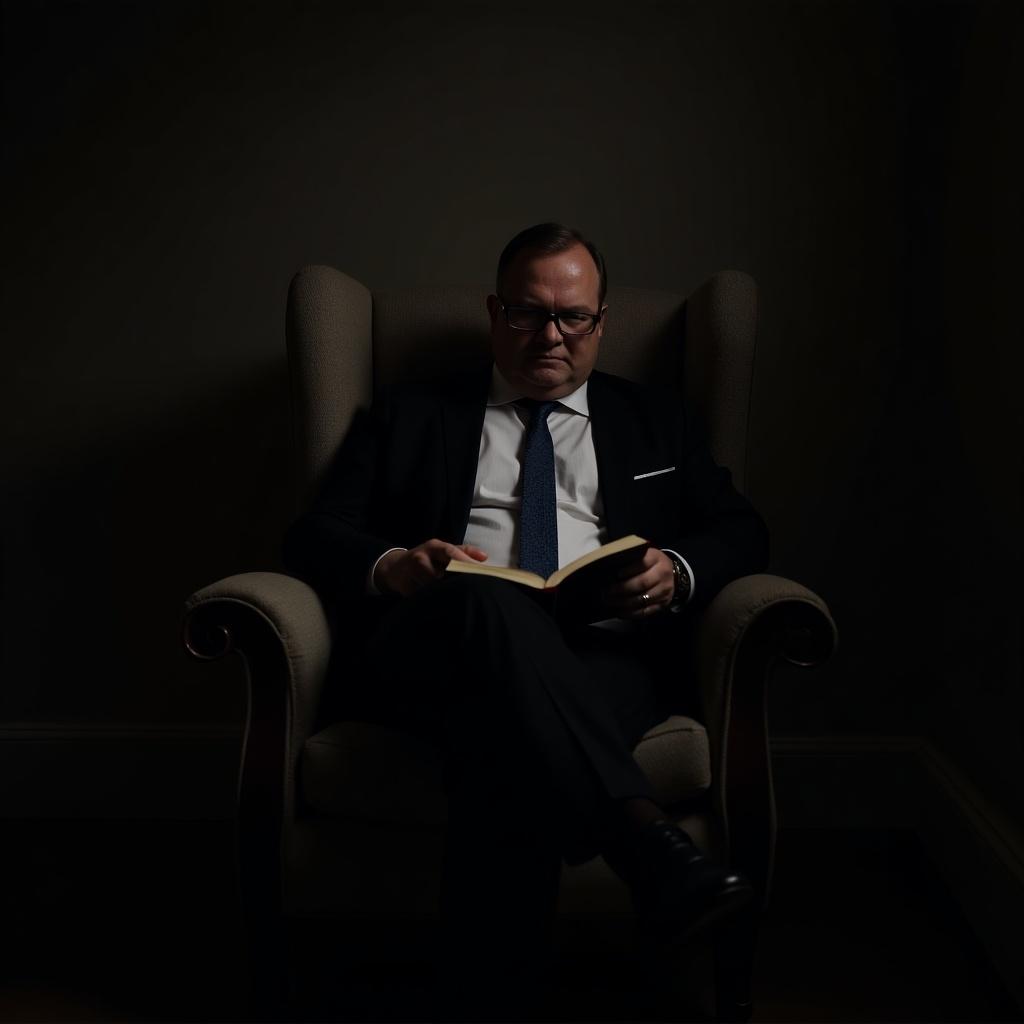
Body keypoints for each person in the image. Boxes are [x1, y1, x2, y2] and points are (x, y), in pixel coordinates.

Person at [283, 223, 769, 1019]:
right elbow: (313, 535)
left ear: (601, 321)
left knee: (509, 746)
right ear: (493, 313)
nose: (551, 334)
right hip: (437, 645)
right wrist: (395, 565)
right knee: (487, 597)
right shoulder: (411, 413)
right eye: (528, 312)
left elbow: (742, 528)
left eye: (573, 316)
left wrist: (674, 571)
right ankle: (650, 848)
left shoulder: (656, 420)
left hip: (603, 656)